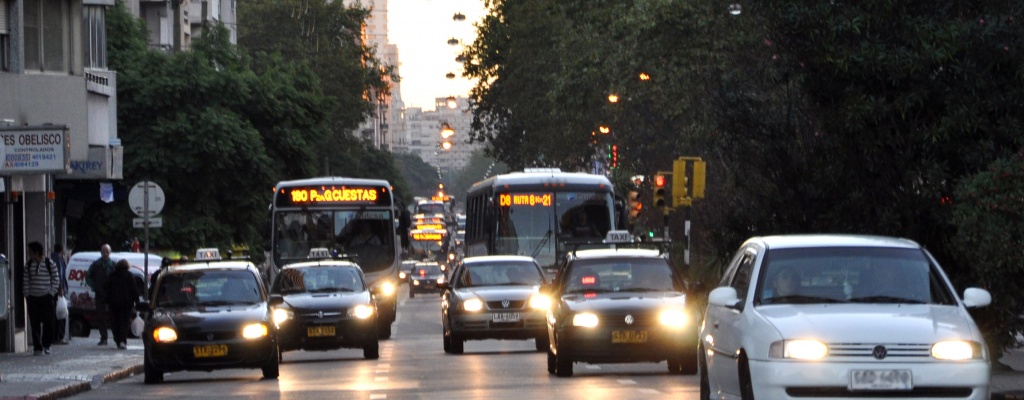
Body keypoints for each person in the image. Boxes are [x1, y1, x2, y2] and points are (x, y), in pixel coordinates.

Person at [24, 242, 60, 355]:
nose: (29, 254)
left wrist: (51, 293)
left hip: (46, 297)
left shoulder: (50, 263)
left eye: (30, 252)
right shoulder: (29, 265)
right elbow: (26, 280)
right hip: (33, 298)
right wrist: (27, 294)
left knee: (48, 322)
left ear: (36, 252)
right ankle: (37, 348)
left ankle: (46, 344)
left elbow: (56, 279)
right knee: (34, 323)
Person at [105, 259, 139, 350]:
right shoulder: (129, 276)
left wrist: (107, 302)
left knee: (115, 322)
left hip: (114, 303)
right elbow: (134, 290)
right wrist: (137, 302)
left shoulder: (112, 276)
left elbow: (107, 290)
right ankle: (122, 341)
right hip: (126, 303)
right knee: (124, 322)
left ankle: (117, 339)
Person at [86, 244, 115, 346]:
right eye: (103, 251)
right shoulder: (96, 265)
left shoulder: (113, 265)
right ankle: (104, 338)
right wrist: (94, 286)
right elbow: (88, 277)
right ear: (101, 252)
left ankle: (116, 338)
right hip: (99, 294)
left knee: (113, 316)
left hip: (111, 295)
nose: (105, 253)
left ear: (110, 253)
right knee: (100, 317)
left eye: (107, 251)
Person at [50, 243, 69, 344]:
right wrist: (60, 288)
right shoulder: (59, 259)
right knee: (61, 314)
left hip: (52, 290)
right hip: (58, 291)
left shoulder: (51, 258)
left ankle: (54, 336)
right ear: (62, 250)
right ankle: (59, 337)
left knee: (54, 313)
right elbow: (60, 274)